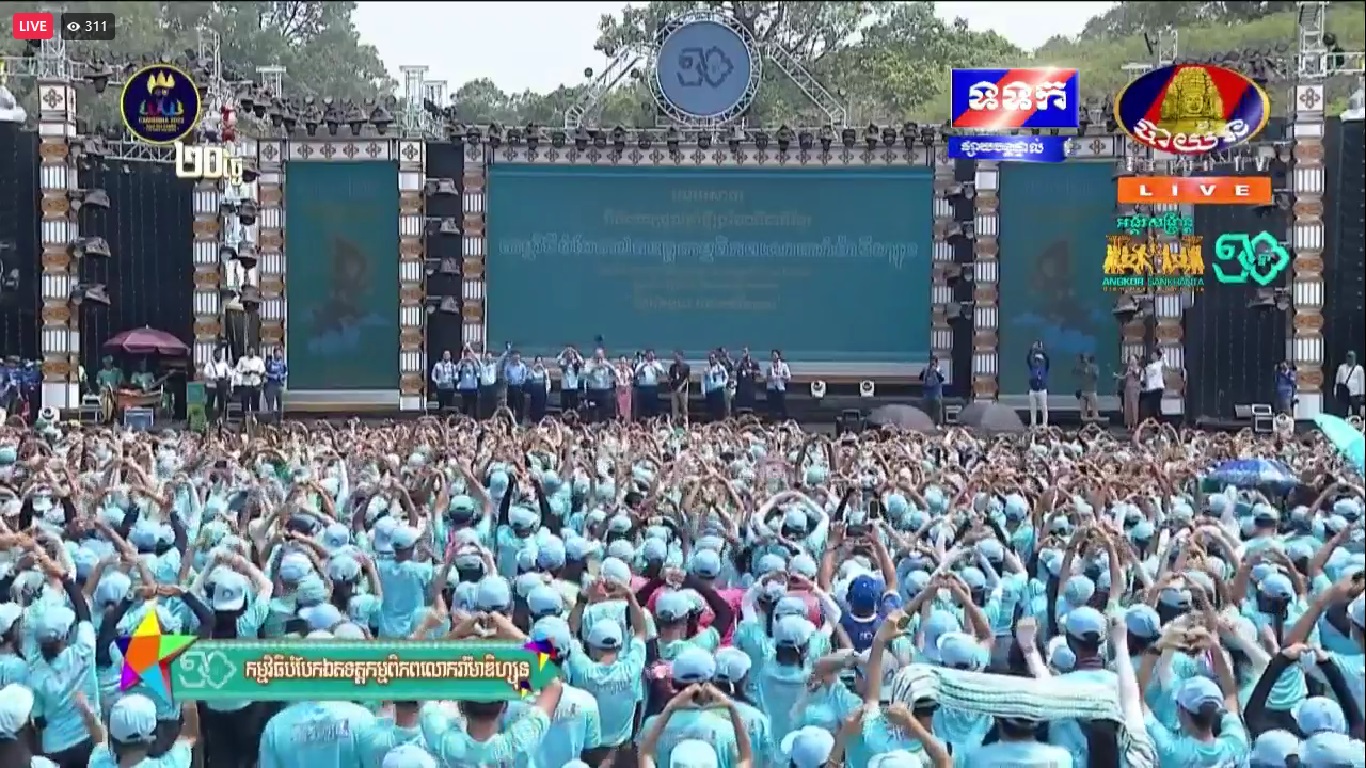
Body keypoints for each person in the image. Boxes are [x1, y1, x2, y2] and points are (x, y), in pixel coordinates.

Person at [235, 347, 265, 425]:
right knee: (245, 403)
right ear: (247, 352)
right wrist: (244, 372)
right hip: (246, 384)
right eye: (250, 351)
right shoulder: (242, 359)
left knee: (256, 403)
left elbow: (262, 370)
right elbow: (237, 370)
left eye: (253, 351)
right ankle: (245, 421)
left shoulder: (258, 360)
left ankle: (256, 421)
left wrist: (255, 371)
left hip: (255, 384)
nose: (251, 353)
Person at [204, 347, 232, 425]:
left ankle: (220, 419)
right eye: (217, 353)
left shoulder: (224, 364)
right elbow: (205, 373)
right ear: (214, 354)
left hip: (221, 384)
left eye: (220, 354)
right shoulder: (209, 364)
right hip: (212, 385)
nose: (219, 355)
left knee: (221, 402)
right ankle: (208, 419)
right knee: (210, 402)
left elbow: (229, 373)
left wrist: (227, 378)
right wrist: (212, 377)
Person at [633, 350, 664, 420]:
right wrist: (644, 366)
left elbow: (662, 373)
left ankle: (652, 419)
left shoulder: (657, 364)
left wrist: (654, 367)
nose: (650, 356)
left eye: (651, 354)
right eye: (648, 354)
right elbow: (636, 374)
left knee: (653, 405)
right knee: (643, 406)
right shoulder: (641, 364)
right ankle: (642, 420)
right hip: (643, 387)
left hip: (653, 387)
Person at [1026, 340, 1049, 428]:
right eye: (1035, 360)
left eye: (1038, 360)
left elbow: (1047, 360)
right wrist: (1032, 350)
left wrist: (1042, 351)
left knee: (1044, 408)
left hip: (1042, 390)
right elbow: (1028, 359)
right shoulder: (1032, 368)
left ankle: (1044, 424)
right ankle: (1033, 424)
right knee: (1033, 409)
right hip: (1033, 391)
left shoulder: (1044, 368)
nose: (1037, 362)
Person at [263, 346, 287, 424]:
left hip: (279, 386)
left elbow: (286, 373)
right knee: (271, 404)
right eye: (277, 352)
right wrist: (273, 376)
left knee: (280, 404)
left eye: (280, 352)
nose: (279, 354)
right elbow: (265, 373)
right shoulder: (270, 363)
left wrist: (282, 376)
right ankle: (271, 421)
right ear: (274, 353)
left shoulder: (283, 364)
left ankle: (279, 421)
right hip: (271, 386)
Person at [1334, 351, 1362, 417]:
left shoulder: (1359, 369)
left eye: (1351, 357)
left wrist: (1362, 394)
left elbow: (1361, 381)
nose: (1350, 358)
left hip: (1355, 393)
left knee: (1355, 412)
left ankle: (1355, 422)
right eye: (1348, 356)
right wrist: (1335, 391)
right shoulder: (1341, 368)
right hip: (1343, 392)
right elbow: (1337, 381)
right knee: (1342, 411)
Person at [766, 349, 791, 422]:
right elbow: (766, 377)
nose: (774, 357)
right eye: (772, 355)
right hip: (771, 387)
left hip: (780, 387)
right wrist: (771, 377)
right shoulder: (769, 366)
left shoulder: (784, 366)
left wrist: (780, 376)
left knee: (782, 404)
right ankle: (772, 420)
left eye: (775, 355)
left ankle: (785, 420)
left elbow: (788, 377)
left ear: (778, 356)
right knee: (771, 405)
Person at [1118, 354, 1142, 429]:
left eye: (1133, 360)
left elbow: (1138, 376)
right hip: (1127, 389)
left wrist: (1133, 370)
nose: (1131, 361)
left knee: (1134, 406)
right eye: (1130, 360)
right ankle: (1128, 424)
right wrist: (1117, 376)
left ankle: (1134, 424)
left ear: (1137, 361)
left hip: (1135, 389)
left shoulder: (1138, 368)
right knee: (1127, 406)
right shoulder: (1127, 368)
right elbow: (1124, 377)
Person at [558, 346, 583, 416]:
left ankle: (574, 419)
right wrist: (564, 352)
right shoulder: (563, 362)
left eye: (571, 354)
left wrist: (575, 353)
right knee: (564, 406)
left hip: (573, 387)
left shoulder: (576, 362)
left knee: (574, 406)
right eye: (568, 354)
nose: (569, 356)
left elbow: (581, 361)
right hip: (564, 387)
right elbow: (558, 360)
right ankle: (565, 419)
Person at [920, 355, 945, 426]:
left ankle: (937, 424)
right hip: (927, 395)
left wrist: (935, 371)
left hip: (936, 395)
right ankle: (927, 425)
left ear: (936, 362)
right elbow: (921, 378)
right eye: (931, 361)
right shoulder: (926, 370)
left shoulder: (939, 370)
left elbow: (941, 379)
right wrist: (925, 371)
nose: (931, 363)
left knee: (937, 411)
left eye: (933, 361)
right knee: (927, 411)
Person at [1141, 351, 1166, 422]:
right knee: (1151, 408)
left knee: (1157, 407)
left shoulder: (1160, 364)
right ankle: (1153, 423)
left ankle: (1159, 422)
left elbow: (1165, 364)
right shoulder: (1148, 367)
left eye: (1154, 355)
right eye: (1152, 355)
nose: (1152, 356)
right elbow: (1144, 378)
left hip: (1158, 388)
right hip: (1150, 389)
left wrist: (1163, 353)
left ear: (1157, 356)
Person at [704, 352, 729, 422]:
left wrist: (723, 384)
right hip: (711, 391)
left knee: (721, 408)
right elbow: (704, 381)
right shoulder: (707, 369)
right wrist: (704, 391)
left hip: (719, 390)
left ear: (716, 359)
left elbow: (726, 377)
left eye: (713, 358)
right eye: (710, 358)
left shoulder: (721, 368)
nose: (711, 360)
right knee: (712, 410)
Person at [504, 349, 528, 422]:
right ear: (512, 357)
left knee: (519, 405)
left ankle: (519, 421)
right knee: (510, 405)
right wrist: (508, 380)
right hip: (511, 387)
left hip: (519, 387)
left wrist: (522, 382)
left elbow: (524, 376)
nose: (516, 359)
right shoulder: (508, 366)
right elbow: (505, 376)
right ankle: (510, 421)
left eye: (517, 357)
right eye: (514, 357)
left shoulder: (522, 366)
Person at [456, 345, 480, 416]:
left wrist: (473, 361)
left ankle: (474, 419)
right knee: (464, 405)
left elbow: (478, 370)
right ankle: (464, 418)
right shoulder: (462, 364)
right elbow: (457, 369)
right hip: (464, 387)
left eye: (470, 355)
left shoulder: (474, 364)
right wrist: (462, 360)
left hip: (473, 387)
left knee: (474, 406)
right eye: (467, 355)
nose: (468, 357)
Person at [667, 351, 690, 424]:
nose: (676, 359)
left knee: (684, 407)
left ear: (681, 357)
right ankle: (675, 421)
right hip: (674, 389)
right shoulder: (672, 367)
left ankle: (685, 422)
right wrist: (670, 382)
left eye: (677, 357)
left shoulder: (686, 367)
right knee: (674, 407)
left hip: (683, 390)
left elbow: (686, 379)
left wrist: (681, 387)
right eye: (675, 357)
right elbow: (670, 377)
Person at [1075, 353, 1099, 422]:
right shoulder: (1081, 367)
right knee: (1083, 412)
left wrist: (1091, 371)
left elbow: (1096, 377)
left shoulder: (1094, 367)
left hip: (1092, 391)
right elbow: (1076, 374)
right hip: (1083, 392)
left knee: (1094, 411)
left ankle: (1095, 424)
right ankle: (1084, 425)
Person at [527, 355, 549, 422]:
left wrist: (542, 369)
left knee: (541, 405)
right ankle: (533, 419)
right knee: (534, 405)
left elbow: (547, 379)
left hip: (541, 389)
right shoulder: (532, 371)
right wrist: (533, 369)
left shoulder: (545, 370)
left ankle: (541, 419)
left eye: (540, 362)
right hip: (534, 389)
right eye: (537, 362)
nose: (539, 364)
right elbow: (528, 377)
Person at [614, 355, 634, 422]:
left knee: (627, 408)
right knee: (620, 408)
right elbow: (616, 380)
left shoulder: (629, 370)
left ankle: (627, 421)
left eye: (624, 362)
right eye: (621, 362)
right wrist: (621, 385)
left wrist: (626, 385)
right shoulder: (616, 371)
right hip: (619, 391)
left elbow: (632, 379)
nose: (622, 364)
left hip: (627, 391)